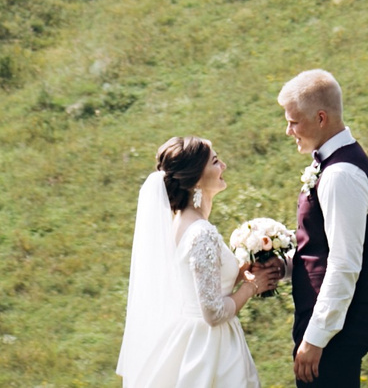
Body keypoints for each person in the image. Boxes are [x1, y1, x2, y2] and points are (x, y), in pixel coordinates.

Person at [118, 134, 287, 388]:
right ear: (197, 178)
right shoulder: (201, 232)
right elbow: (213, 312)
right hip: (210, 350)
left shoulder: (181, 223)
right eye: (216, 162)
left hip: (190, 338)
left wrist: (243, 269)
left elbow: (201, 283)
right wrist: (253, 286)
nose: (224, 166)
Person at [280, 69, 368, 387]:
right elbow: (320, 247)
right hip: (332, 319)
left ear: (321, 118)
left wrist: (316, 337)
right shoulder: (331, 164)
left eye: (294, 122)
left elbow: (344, 263)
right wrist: (282, 265)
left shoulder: (341, 175)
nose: (288, 130)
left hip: (338, 326)